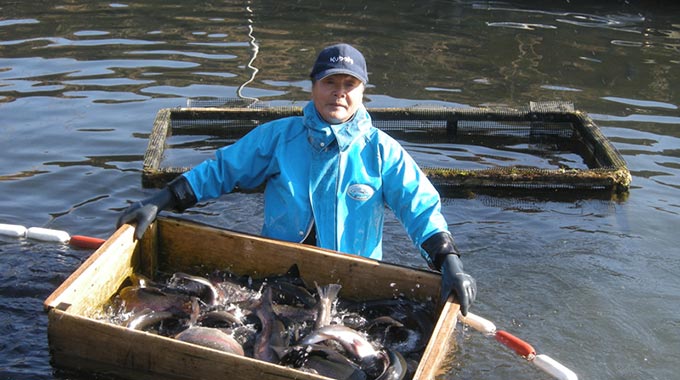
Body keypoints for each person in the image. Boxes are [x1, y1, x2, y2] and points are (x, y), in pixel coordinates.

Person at [117, 43, 476, 315]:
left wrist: (450, 263)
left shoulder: (383, 151)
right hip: (277, 273)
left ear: (362, 91)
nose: (339, 92)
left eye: (349, 84)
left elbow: (420, 209)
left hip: (353, 281)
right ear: (313, 87)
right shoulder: (278, 137)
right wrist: (160, 200)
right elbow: (222, 170)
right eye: (329, 82)